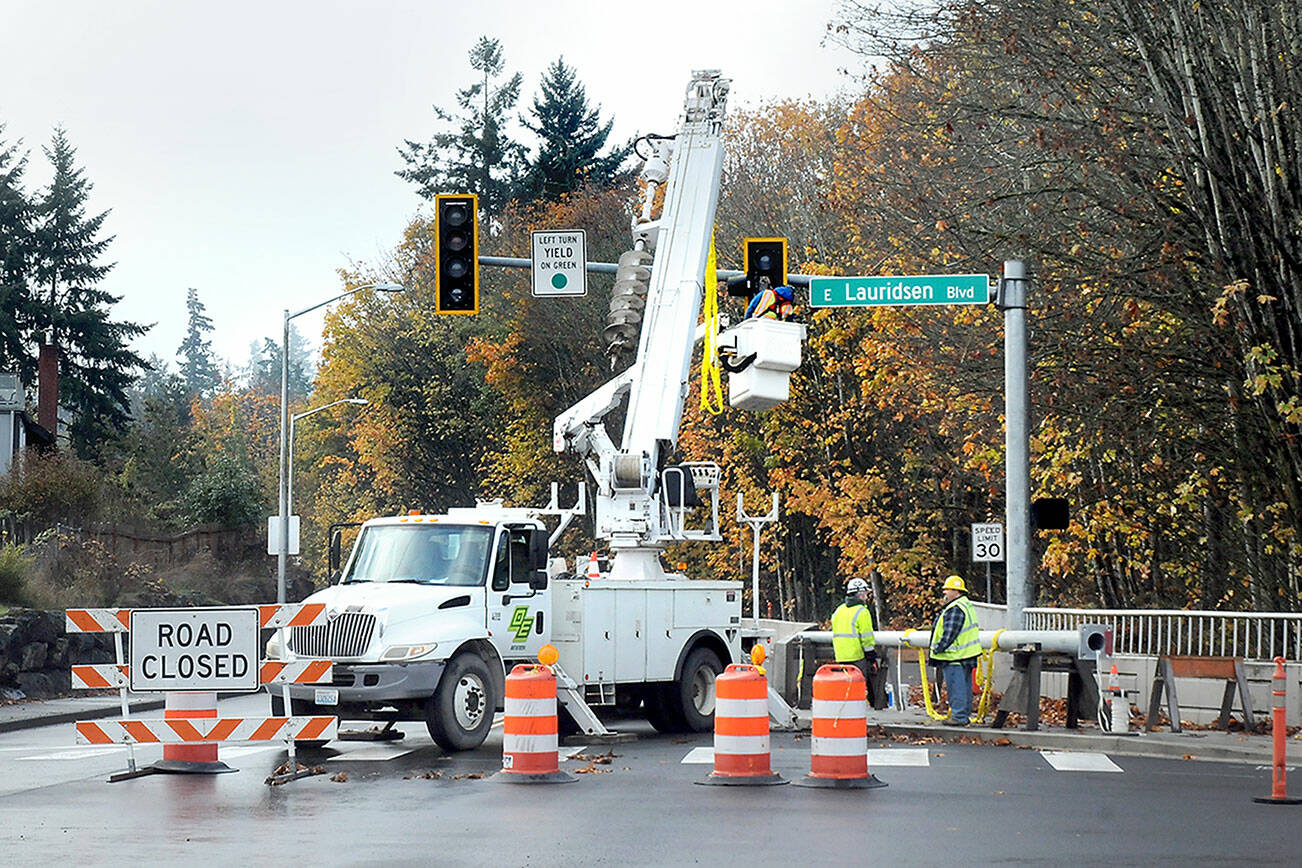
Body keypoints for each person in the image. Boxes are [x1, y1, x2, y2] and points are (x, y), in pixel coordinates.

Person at [929, 574, 981, 725]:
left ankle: (958, 717)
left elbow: (949, 633)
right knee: (964, 687)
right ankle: (962, 716)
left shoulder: (955, 609)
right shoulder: (966, 605)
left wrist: (938, 648)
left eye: (948, 589)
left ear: (956, 592)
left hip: (954, 656)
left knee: (956, 687)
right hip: (966, 655)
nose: (944, 592)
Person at [831, 578, 878, 702]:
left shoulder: (839, 610)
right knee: (859, 684)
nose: (867, 597)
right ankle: (860, 707)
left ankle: (845, 706)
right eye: (866, 594)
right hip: (857, 655)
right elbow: (867, 637)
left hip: (840, 655)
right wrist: (871, 655)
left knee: (845, 685)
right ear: (860, 594)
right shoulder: (862, 611)